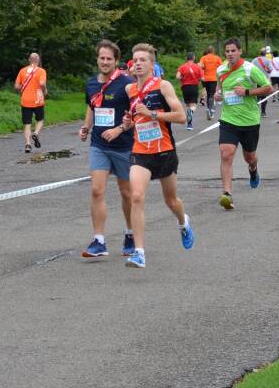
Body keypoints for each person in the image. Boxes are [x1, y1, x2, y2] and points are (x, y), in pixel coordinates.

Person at [120, 44, 194, 268]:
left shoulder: (163, 86)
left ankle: (183, 222)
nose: (138, 63)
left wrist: (151, 113)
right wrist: (127, 124)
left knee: (171, 201)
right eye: (135, 60)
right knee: (137, 196)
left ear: (152, 65)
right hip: (140, 151)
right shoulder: (129, 90)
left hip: (164, 150)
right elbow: (134, 118)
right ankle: (139, 252)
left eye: (143, 60)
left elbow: (182, 116)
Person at [79, 40, 135, 259]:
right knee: (96, 190)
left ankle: (130, 234)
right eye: (101, 58)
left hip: (124, 145)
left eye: (108, 58)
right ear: (97, 59)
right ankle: (99, 240)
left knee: (126, 192)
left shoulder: (127, 84)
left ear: (116, 61)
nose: (104, 61)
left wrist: (119, 129)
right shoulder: (91, 84)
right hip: (99, 144)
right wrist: (86, 127)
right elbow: (92, 106)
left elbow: (135, 114)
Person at [215, 39, 272, 210]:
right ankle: (227, 194)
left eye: (233, 50)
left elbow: (268, 88)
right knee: (226, 154)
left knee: (249, 157)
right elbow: (221, 90)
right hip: (228, 119)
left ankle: (253, 169)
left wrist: (247, 92)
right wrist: (218, 96)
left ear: (240, 51)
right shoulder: (220, 70)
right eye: (227, 51)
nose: (230, 54)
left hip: (249, 121)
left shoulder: (250, 69)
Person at [15, 53, 48, 153]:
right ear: (38, 60)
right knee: (40, 120)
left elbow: (16, 86)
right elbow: (42, 83)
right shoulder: (41, 71)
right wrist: (45, 90)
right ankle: (36, 133)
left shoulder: (22, 70)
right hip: (38, 100)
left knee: (27, 124)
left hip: (26, 101)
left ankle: (28, 144)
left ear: (29, 60)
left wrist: (24, 89)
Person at [176, 52, 204, 130]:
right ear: (194, 58)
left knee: (188, 105)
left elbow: (177, 77)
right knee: (193, 105)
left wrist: (183, 78)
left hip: (185, 87)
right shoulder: (198, 67)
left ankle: (189, 124)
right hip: (194, 87)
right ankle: (190, 113)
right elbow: (202, 78)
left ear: (187, 58)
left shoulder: (182, 67)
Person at [198, 45, 222, 120]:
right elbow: (221, 67)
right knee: (212, 94)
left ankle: (208, 108)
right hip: (214, 78)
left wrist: (204, 67)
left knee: (208, 94)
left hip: (206, 78)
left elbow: (200, 66)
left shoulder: (203, 58)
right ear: (213, 51)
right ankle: (210, 109)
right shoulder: (217, 58)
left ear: (207, 51)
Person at [251, 48, 273, 117]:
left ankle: (256, 111)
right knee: (264, 97)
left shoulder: (254, 60)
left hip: (255, 81)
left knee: (256, 96)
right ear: (265, 53)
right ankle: (263, 112)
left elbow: (250, 68)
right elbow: (270, 70)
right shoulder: (268, 60)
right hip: (264, 81)